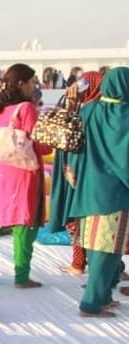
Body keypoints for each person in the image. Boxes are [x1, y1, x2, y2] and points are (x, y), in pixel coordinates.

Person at [49, 67, 129, 317]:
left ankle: (103, 296)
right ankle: (91, 304)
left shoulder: (89, 110)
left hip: (86, 189)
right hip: (114, 193)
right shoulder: (124, 116)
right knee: (108, 249)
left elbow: (71, 147)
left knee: (98, 245)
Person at [0, 63, 50, 288]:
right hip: (22, 170)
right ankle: (21, 276)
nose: (34, 86)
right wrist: (51, 147)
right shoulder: (26, 108)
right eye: (32, 82)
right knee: (24, 220)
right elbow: (36, 142)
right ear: (21, 83)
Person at [50, 71, 104, 276]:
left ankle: (81, 264)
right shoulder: (107, 111)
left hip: (83, 176)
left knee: (82, 220)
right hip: (99, 178)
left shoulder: (88, 112)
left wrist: (70, 107)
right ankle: (110, 269)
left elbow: (65, 139)